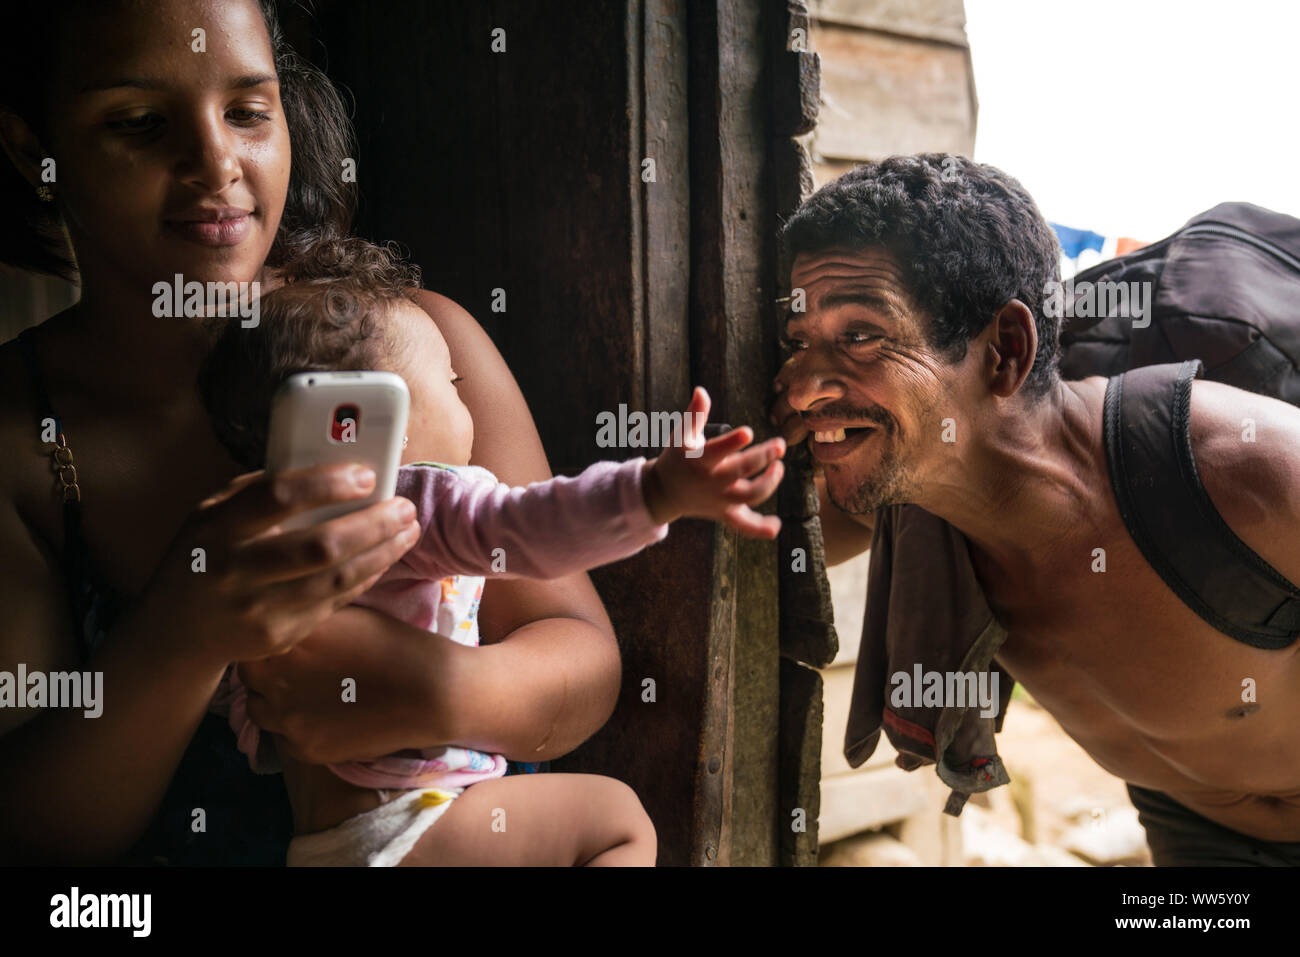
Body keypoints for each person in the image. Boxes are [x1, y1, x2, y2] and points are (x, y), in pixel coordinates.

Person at [0, 0, 632, 865]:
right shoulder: (24, 439)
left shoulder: (420, 349)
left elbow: (584, 664)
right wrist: (188, 630)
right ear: (29, 148)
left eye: (249, 111)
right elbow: (37, 833)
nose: (216, 162)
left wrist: (437, 686)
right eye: (141, 123)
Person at [769, 153, 1300, 865]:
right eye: (800, 342)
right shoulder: (920, 490)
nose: (803, 389)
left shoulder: (1238, 469)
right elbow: (758, 541)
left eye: (862, 335)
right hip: (1196, 832)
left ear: (1006, 351)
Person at [196, 236, 784, 865]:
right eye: (450, 383)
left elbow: (243, 711)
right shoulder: (418, 499)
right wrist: (653, 492)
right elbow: (533, 527)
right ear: (382, 414)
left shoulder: (260, 539)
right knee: (619, 821)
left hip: (319, 846)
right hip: (420, 828)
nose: (464, 399)